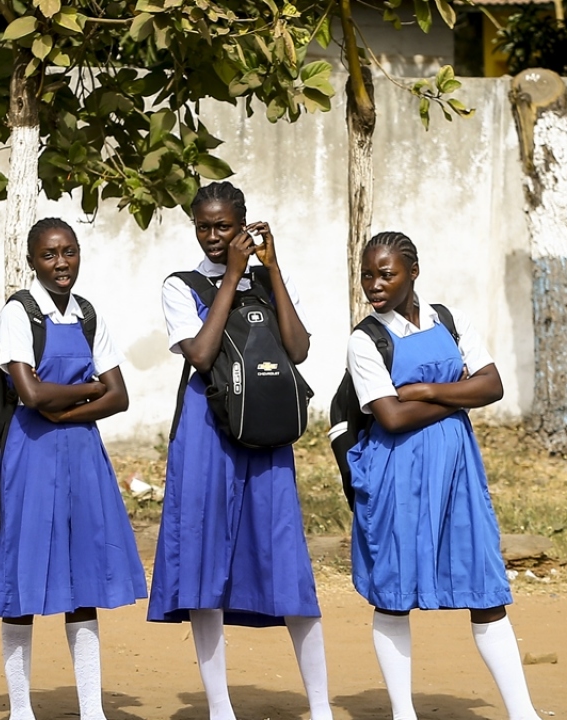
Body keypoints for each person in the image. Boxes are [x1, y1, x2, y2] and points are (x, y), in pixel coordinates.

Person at [147, 181, 334, 720]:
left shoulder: (270, 280)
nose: (213, 236)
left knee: (286, 559)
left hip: (267, 431)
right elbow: (202, 355)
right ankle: (220, 707)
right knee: (204, 565)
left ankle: (320, 706)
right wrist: (231, 275)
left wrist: (271, 269)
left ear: (244, 224)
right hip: (207, 431)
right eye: (203, 227)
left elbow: (298, 348)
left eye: (224, 226)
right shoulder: (181, 285)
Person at [345, 231, 542, 720]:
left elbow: (493, 386)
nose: (374, 285)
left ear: (413, 272)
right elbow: (391, 418)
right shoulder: (366, 340)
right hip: (397, 477)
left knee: (485, 587)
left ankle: (523, 713)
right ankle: (403, 713)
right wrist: (458, 393)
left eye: (386, 274)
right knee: (394, 593)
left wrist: (426, 390)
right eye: (367, 275)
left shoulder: (449, 321)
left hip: (458, 473)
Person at [0, 218, 147, 720]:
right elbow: (30, 393)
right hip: (30, 457)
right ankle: (21, 709)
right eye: (49, 255)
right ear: (32, 261)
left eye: (69, 251)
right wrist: (90, 390)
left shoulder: (89, 315)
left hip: (82, 456)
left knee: (82, 580)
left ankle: (91, 709)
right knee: (20, 581)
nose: (61, 263)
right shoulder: (18, 313)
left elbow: (119, 396)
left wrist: (65, 408)